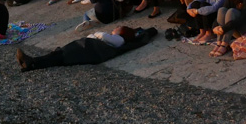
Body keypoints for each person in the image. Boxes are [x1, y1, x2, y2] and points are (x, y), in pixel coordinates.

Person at [15, 26, 155, 72]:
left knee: (60, 56)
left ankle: (32, 62)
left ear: (121, 32)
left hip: (89, 48)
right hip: (86, 46)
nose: (114, 29)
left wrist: (98, 33)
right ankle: (31, 63)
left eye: (117, 28)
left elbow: (102, 36)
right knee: (58, 56)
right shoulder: (117, 39)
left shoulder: (120, 40)